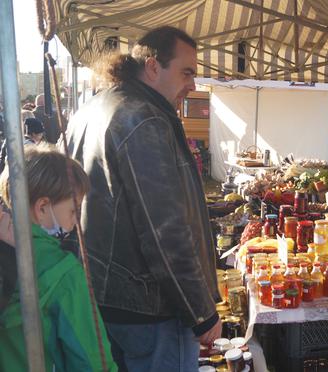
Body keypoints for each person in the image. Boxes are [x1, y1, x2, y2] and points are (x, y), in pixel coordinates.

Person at [66, 26, 221, 371]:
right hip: (149, 309)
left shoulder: (93, 108)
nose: (193, 85)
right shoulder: (144, 119)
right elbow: (164, 230)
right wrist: (201, 312)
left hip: (103, 296)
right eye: (186, 72)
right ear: (153, 67)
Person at [0, 146, 117, 372]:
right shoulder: (64, 272)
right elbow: (90, 358)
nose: (75, 222)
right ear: (43, 208)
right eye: (73, 211)